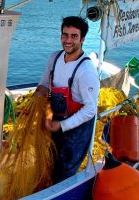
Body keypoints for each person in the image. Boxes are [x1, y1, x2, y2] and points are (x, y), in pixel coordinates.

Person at [35, 16, 100, 182]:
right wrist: (34, 101)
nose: (68, 40)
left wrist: (62, 125)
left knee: (64, 171)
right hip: (55, 121)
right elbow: (44, 85)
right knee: (49, 162)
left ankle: (59, 195)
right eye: (65, 35)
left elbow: (90, 109)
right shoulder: (55, 58)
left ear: (82, 39)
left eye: (74, 36)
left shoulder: (86, 71)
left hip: (75, 130)